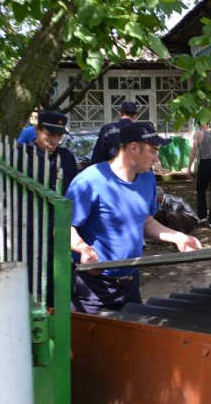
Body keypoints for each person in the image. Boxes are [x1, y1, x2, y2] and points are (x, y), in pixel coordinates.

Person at [67, 122, 202, 314]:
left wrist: (178, 237)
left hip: (130, 282)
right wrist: (83, 249)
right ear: (133, 148)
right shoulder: (89, 182)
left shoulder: (147, 179)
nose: (157, 158)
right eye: (153, 151)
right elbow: (62, 227)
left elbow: (145, 221)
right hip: (94, 289)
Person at [17, 110, 77, 307]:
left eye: (59, 136)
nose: (54, 140)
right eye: (49, 134)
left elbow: (72, 194)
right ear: (37, 130)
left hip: (59, 235)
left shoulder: (66, 158)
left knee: (60, 293)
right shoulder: (21, 157)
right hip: (30, 235)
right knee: (32, 295)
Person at [89, 100, 138, 165]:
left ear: (120, 114)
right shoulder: (141, 130)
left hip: (111, 170)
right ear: (135, 116)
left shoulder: (107, 129)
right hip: (134, 170)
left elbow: (98, 156)